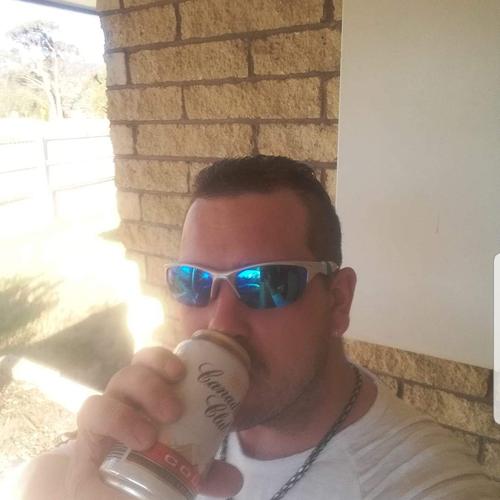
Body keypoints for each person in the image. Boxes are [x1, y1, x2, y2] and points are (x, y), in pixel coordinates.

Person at [17, 156, 500, 499]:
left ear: (338, 301)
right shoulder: (167, 427)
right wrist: (89, 466)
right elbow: (40, 478)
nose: (221, 322)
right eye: (193, 282)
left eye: (267, 283)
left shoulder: (422, 483)